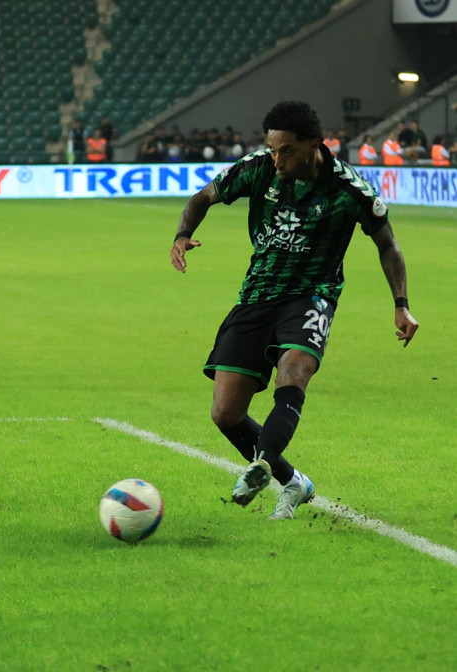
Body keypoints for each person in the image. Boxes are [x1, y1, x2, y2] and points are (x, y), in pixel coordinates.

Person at [170, 100, 418, 521]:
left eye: (286, 150)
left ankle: (261, 466)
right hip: (258, 293)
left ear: (314, 145)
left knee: (296, 369)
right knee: (225, 412)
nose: (277, 158)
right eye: (272, 149)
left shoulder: (349, 189)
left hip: (312, 294)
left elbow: (388, 245)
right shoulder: (258, 168)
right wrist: (182, 236)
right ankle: (293, 482)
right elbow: (202, 198)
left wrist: (402, 305)